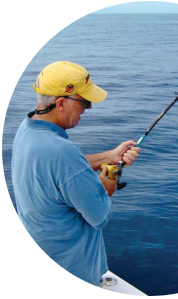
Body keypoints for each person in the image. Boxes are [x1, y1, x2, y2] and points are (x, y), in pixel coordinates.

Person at [11, 61, 140, 286]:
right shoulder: (62, 152)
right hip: (72, 267)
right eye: (84, 102)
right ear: (61, 103)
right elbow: (99, 216)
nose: (88, 108)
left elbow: (65, 170)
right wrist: (111, 172)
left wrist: (110, 155)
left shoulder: (28, 128)